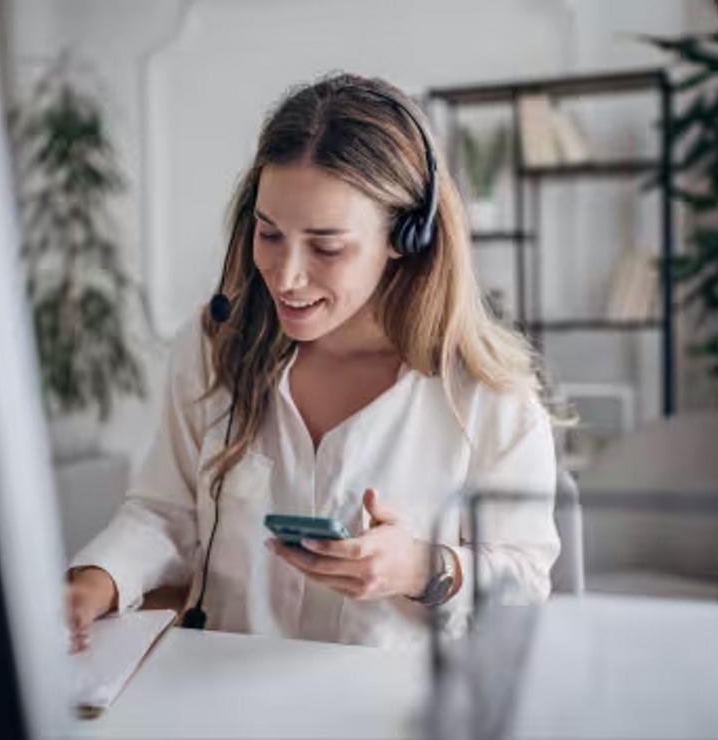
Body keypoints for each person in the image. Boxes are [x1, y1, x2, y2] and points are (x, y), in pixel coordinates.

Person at [65, 73, 560, 651]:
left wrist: (426, 569)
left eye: (326, 247)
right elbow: (164, 512)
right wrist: (95, 581)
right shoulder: (213, 346)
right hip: (221, 695)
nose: (287, 275)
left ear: (408, 238)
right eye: (269, 233)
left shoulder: (486, 394)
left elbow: (527, 581)